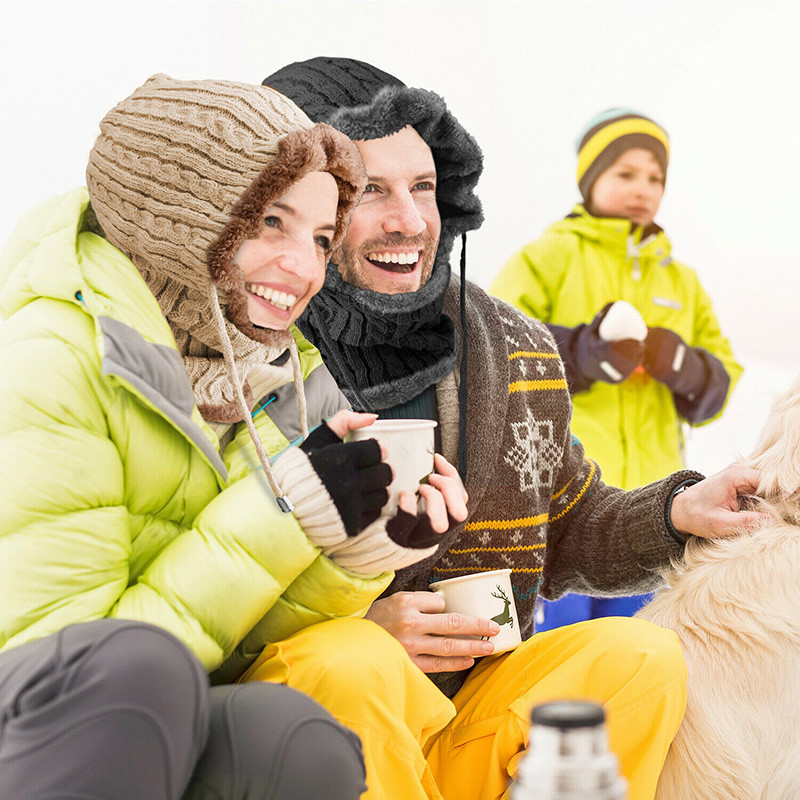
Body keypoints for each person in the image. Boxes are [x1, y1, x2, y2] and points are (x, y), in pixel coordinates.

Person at [245, 58, 766, 800]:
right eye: (369, 190)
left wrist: (676, 512)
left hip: (475, 704)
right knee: (352, 663)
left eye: (423, 187)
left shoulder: (509, 345)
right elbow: (192, 580)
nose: (410, 220)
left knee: (639, 658)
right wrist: (369, 621)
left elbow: (568, 519)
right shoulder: (245, 347)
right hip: (323, 705)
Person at [0, 74, 456, 800]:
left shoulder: (255, 373)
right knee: (143, 672)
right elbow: (75, 681)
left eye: (319, 237)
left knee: (294, 737)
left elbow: (244, 642)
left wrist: (357, 544)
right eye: (271, 223)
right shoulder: (53, 359)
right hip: (41, 732)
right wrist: (282, 512)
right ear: (184, 216)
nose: (306, 269)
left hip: (155, 709)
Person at [490, 108, 742, 628]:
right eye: (625, 173)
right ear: (590, 178)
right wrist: (582, 354)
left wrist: (685, 367)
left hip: (658, 513)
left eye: (655, 178)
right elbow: (496, 353)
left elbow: (720, 385)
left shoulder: (682, 283)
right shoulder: (546, 258)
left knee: (641, 655)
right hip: (564, 508)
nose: (642, 188)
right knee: (561, 657)